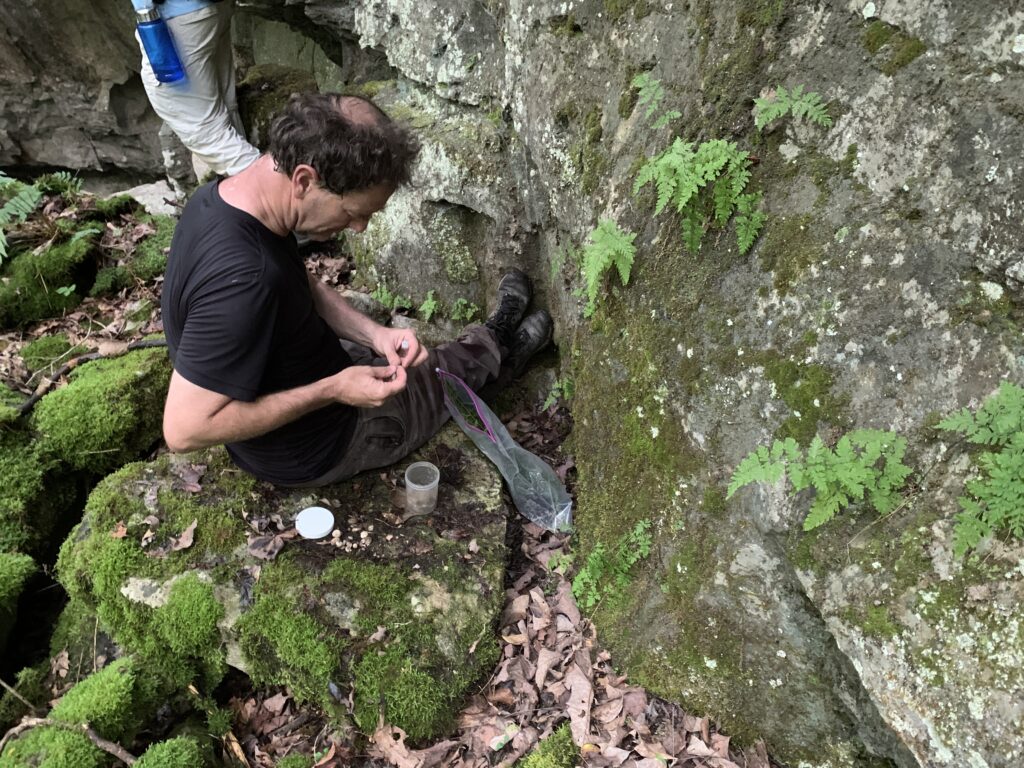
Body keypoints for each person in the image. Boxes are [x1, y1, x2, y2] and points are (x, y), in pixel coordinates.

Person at [160, 92, 553, 487]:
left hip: (304, 372)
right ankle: (500, 350)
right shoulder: (245, 284)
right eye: (353, 212)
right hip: (326, 441)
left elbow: (296, 283)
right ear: (304, 180)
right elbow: (184, 429)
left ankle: (490, 348)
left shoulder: (228, 201)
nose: (360, 227)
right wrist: (333, 389)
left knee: (395, 358)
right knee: (438, 371)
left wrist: (374, 333)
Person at [131, 0, 260, 181]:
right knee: (224, 111)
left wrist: (144, 10)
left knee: (205, 131)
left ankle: (285, 194)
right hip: (213, 8)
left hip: (179, 18)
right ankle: (247, 200)